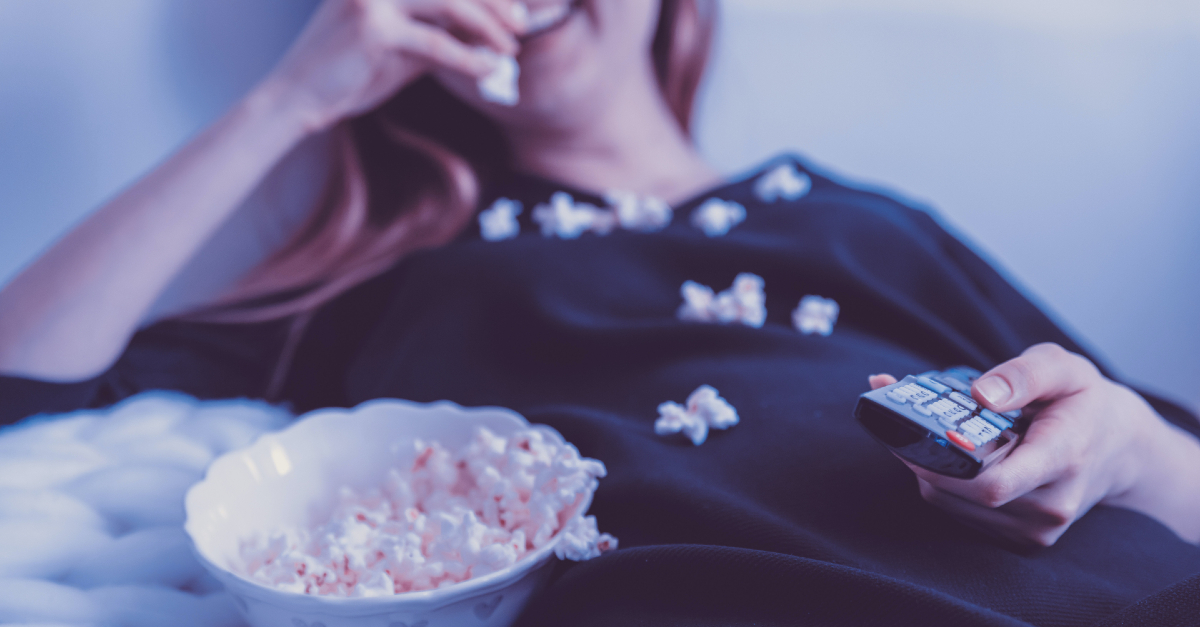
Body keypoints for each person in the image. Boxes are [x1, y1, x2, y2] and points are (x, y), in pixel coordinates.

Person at [1, 0, 1198, 624]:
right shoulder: (404, 277)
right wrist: (289, 102)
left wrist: (1130, 451)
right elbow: (24, 383)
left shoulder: (862, 219)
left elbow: (1174, 470)